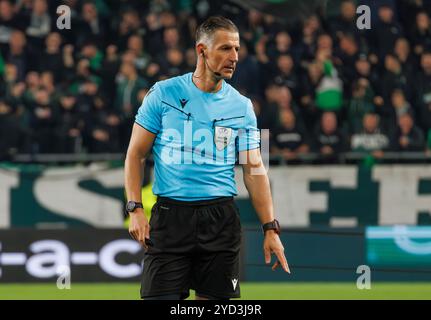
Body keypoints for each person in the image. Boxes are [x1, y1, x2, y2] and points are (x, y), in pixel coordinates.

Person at [124, 16, 289, 300]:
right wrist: (135, 209)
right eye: (225, 49)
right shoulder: (162, 94)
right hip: (170, 218)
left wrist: (270, 227)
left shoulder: (244, 107)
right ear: (202, 50)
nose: (234, 57)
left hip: (220, 219)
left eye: (237, 49)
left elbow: (256, 169)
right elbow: (135, 155)